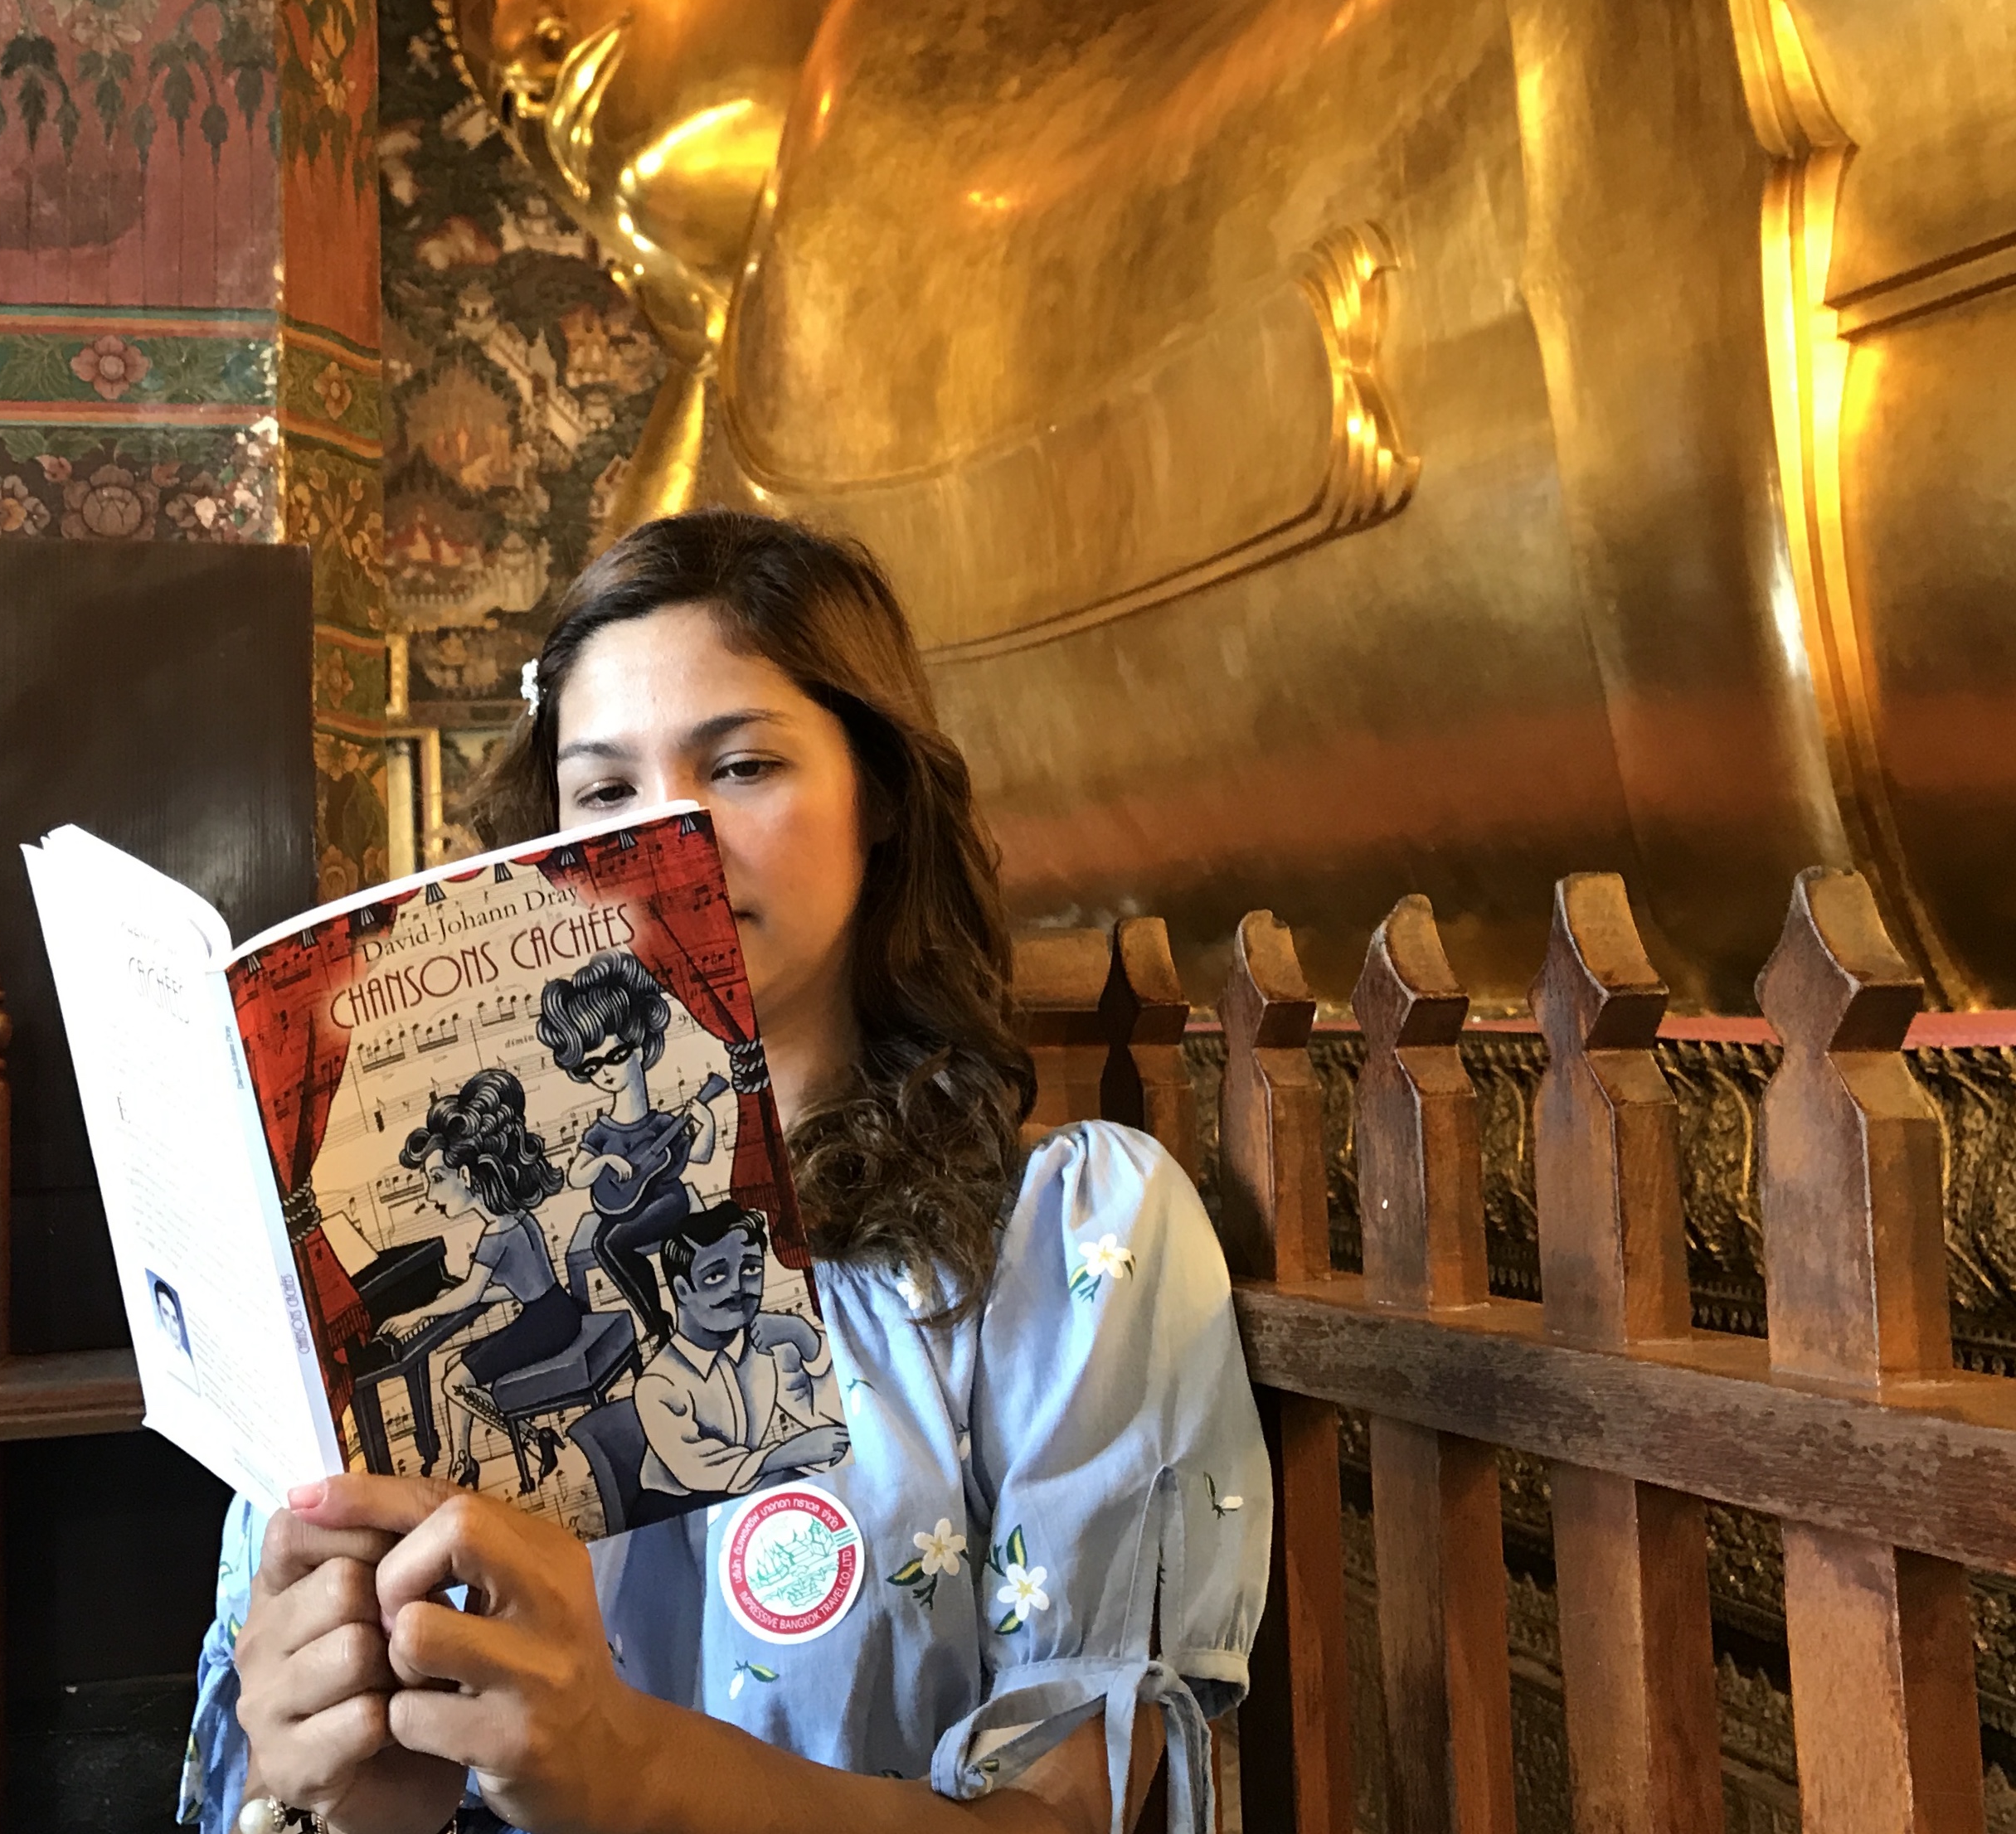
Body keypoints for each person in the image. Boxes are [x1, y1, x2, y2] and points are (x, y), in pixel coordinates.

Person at [184, 511, 1269, 1834]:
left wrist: (627, 1770)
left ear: (878, 798)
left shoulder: (1069, 1242)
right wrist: (342, 1790)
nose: (664, 844)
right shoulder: (403, 1280)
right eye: (602, 792)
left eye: (741, 764)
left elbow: (1056, 1819)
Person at [372, 1069, 576, 1488]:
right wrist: (475, 1295)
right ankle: (462, 1462)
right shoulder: (515, 1217)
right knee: (454, 1366)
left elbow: (470, 1293)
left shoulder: (495, 1234)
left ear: (466, 1176)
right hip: (556, 1311)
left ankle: (537, 1440)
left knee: (454, 1382)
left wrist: (418, 1314)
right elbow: (526, 1283)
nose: (430, 1196)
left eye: (436, 1180)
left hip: (547, 1325)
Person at [537, 949, 719, 1344]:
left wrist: (707, 1124)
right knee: (603, 1243)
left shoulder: (663, 1125)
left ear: (637, 1048)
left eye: (615, 1056)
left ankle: (665, 1327)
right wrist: (605, 1161)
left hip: (669, 1202)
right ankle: (657, 1323)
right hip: (624, 1206)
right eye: (591, 1067)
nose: (604, 1072)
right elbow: (575, 1175)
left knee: (614, 1241)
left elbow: (701, 1155)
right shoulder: (602, 1132)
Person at [629, 1199, 844, 1502]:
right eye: (716, 1276)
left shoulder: (768, 1344)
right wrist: (787, 1454)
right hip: (675, 1508)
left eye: (752, 1269)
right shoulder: (658, 1383)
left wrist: (805, 1338)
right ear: (682, 1290)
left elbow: (842, 1416)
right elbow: (697, 1469)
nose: (738, 1287)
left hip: (749, 1487)